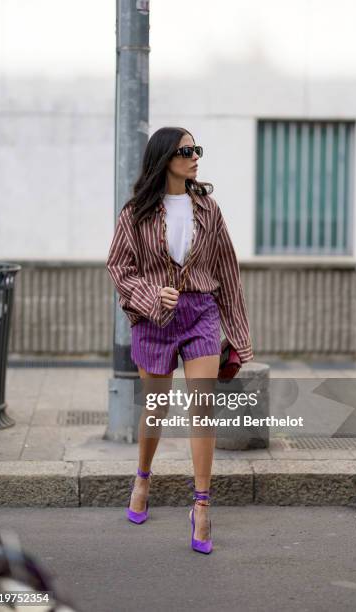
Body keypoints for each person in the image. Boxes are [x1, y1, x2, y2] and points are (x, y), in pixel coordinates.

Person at [106, 126, 254, 554]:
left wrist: (240, 337)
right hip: (153, 319)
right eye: (186, 150)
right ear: (165, 158)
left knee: (202, 408)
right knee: (156, 406)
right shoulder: (135, 212)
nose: (195, 157)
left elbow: (228, 272)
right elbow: (118, 267)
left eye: (197, 150)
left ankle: (202, 507)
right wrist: (153, 295)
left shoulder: (208, 209)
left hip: (200, 314)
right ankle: (142, 477)